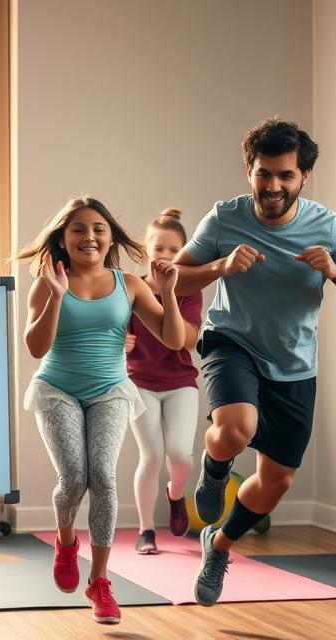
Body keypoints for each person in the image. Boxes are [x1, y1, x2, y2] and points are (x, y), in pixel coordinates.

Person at [174, 118, 336, 606]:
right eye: (264, 174)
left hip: (293, 366)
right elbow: (171, 278)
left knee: (277, 482)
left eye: (285, 175)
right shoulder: (223, 218)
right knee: (236, 429)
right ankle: (214, 469)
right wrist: (220, 266)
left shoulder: (327, 227)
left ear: (303, 176)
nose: (273, 186)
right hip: (231, 343)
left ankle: (219, 544)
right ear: (248, 171)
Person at [19, 196, 192, 624]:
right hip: (57, 390)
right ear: (63, 238)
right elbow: (36, 348)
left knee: (103, 476)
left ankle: (99, 581)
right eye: (78, 229)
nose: (89, 236)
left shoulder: (129, 284)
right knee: (73, 479)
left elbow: (174, 339)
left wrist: (168, 293)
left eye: (98, 228)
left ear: (110, 237)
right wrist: (57, 296)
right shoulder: (46, 284)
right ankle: (65, 542)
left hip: (110, 391)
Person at [125, 208, 203, 553]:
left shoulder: (190, 291)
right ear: (146, 249)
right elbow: (114, 334)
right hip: (139, 382)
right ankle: (146, 531)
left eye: (174, 250)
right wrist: (120, 341)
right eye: (159, 248)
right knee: (152, 455)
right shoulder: (131, 288)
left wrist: (169, 292)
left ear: (184, 253)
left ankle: (176, 493)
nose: (166, 256)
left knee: (181, 456)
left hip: (180, 383)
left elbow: (188, 340)